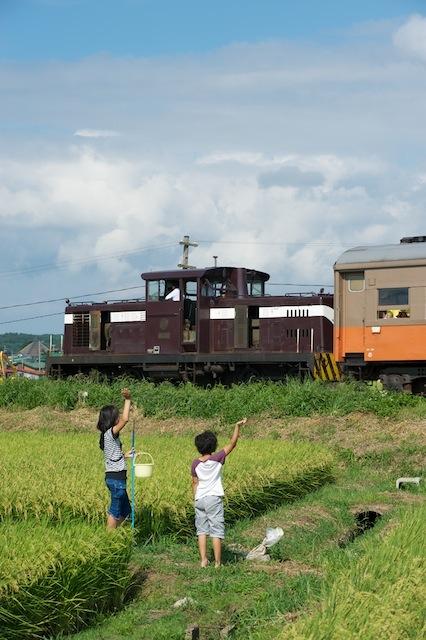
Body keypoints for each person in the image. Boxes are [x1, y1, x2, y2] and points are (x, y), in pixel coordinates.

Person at [191, 417, 247, 567]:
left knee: (201, 531)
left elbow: (194, 483)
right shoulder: (217, 458)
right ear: (214, 445)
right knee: (216, 531)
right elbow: (232, 444)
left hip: (199, 499)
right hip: (213, 499)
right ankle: (217, 563)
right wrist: (237, 426)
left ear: (198, 447)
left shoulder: (195, 463)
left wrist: (195, 498)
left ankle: (203, 560)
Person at [97, 388, 134, 530]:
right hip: (116, 479)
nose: (119, 417)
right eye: (117, 415)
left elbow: (112, 456)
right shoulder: (109, 433)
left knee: (125, 512)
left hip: (117, 478)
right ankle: (108, 537)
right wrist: (128, 399)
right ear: (111, 419)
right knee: (115, 511)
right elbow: (125, 419)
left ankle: (113, 534)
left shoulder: (108, 437)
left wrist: (125, 455)